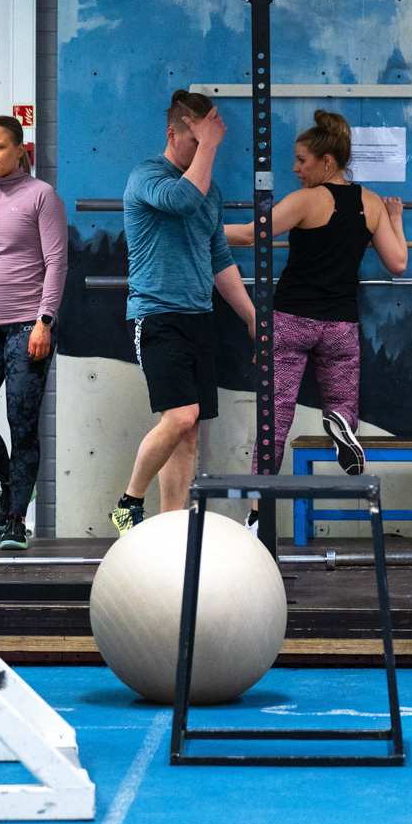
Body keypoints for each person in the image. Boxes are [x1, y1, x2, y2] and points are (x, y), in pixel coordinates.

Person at [226, 110, 408, 524]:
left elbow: (252, 235)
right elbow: (398, 262)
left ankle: (258, 516)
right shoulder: (371, 203)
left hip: (291, 321)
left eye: (301, 160)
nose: (295, 169)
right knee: (343, 403)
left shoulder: (306, 200)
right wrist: (396, 219)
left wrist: (199, 230)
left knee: (274, 420)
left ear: (327, 162)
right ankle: (341, 422)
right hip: (341, 325)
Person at [111, 90, 257, 534]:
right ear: (172, 134)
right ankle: (129, 502)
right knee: (180, 416)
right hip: (157, 316)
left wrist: (252, 317)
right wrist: (209, 143)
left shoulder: (210, 190)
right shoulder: (147, 176)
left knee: (188, 430)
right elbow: (181, 200)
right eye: (197, 141)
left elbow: (219, 260)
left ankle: (172, 527)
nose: (204, 151)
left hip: (199, 317)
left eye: (208, 144)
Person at [0, 114, 67, 550]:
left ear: (20, 150)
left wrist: (45, 320)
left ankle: (17, 519)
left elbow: (56, 262)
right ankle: (11, 483)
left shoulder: (42, 196)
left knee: (21, 424)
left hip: (29, 326)